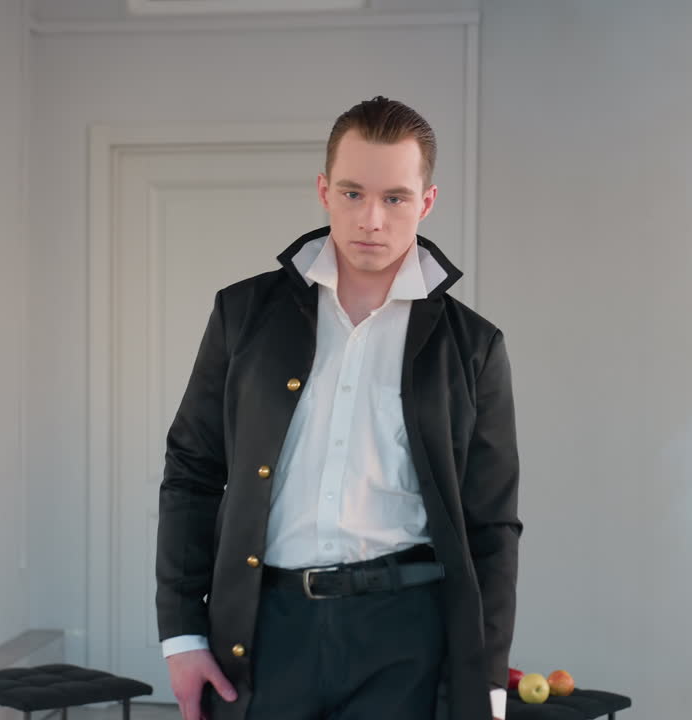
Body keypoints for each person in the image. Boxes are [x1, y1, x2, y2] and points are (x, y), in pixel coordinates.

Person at [155, 96, 521, 720]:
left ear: (426, 202)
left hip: (407, 638)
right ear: (324, 191)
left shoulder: (473, 348)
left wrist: (485, 680)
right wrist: (184, 636)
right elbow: (191, 473)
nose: (371, 219)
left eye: (395, 198)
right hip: (266, 632)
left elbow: (492, 526)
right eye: (352, 194)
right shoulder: (242, 317)